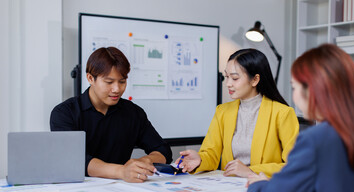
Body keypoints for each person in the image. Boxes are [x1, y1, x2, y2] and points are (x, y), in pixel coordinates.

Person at [246, 44, 354, 192]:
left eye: (295, 87)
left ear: (314, 90)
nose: (294, 96)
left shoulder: (316, 140)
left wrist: (258, 184)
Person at [50, 47, 172, 183]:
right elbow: (73, 159)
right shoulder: (65, 113)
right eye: (109, 82)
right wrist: (121, 171)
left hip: (122, 188)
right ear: (90, 78)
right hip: (78, 189)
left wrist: (144, 161)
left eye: (122, 81)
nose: (117, 89)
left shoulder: (133, 112)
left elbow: (163, 150)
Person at [175, 49, 299, 177]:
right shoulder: (222, 111)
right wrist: (200, 159)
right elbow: (211, 154)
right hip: (228, 186)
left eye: (235, 78)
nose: (228, 84)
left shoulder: (282, 113)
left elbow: (296, 164)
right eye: (227, 77)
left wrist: (250, 171)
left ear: (255, 80)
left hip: (262, 187)